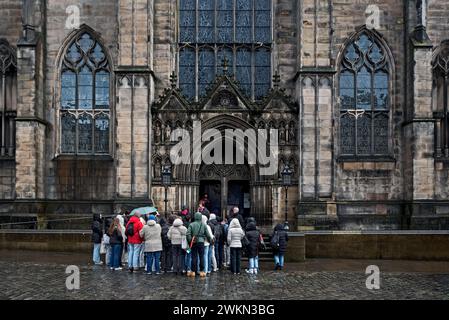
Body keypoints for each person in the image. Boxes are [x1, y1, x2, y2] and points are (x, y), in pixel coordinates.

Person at [186, 212, 212, 278]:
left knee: (194, 257)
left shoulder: (191, 224)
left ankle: (193, 271)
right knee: (202, 257)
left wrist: (190, 240)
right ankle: (202, 271)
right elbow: (208, 235)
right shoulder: (203, 225)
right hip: (201, 242)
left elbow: (188, 234)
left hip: (194, 242)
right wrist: (210, 241)